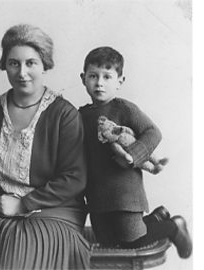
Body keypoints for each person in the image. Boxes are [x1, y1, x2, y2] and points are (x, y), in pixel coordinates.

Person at [0, 24, 91, 269]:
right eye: (14, 63)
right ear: (5, 66)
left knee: (18, 255)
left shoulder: (64, 114)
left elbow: (75, 178)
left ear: (45, 65)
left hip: (53, 211)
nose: (22, 72)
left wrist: (23, 204)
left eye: (31, 63)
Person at [78, 46, 192, 258]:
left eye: (107, 76)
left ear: (120, 81)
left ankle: (173, 226)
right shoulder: (81, 115)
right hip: (96, 195)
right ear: (83, 78)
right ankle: (156, 218)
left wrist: (133, 156)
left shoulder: (124, 108)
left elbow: (153, 132)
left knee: (132, 241)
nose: (99, 83)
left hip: (124, 194)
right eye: (93, 76)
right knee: (109, 242)